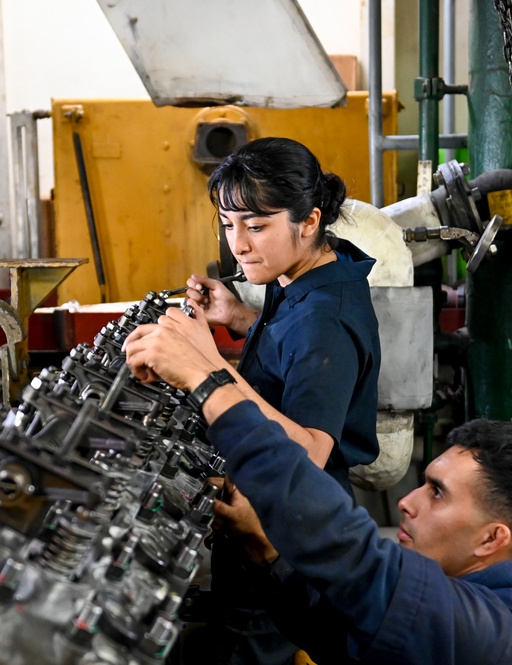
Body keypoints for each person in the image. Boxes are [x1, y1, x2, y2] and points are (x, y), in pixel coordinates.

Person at [123, 324, 512, 664]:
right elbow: (345, 637)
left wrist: (208, 384)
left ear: (491, 539)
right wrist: (264, 548)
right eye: (426, 482)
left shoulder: (497, 641)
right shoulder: (475, 611)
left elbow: (349, 553)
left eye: (437, 494)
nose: (408, 501)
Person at [163, 136, 380, 663]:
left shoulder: (323, 317)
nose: (237, 244)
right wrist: (237, 318)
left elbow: (309, 451)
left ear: (309, 220)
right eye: (228, 223)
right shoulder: (312, 274)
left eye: (256, 226)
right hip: (278, 510)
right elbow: (290, 353)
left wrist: (206, 366)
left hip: (293, 525)